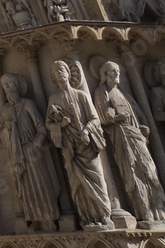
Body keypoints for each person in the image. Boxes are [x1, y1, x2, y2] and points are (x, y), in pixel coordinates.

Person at [94, 61, 165, 222]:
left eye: (118, 70)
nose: (117, 74)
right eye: (113, 71)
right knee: (132, 171)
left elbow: (138, 112)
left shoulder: (123, 92)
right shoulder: (102, 91)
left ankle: (158, 206)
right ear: (104, 74)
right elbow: (104, 115)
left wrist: (143, 126)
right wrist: (117, 117)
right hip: (122, 136)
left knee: (149, 169)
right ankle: (142, 210)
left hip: (137, 135)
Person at [46, 60, 110, 228]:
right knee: (77, 185)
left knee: (98, 178)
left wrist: (87, 131)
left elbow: (95, 118)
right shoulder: (54, 99)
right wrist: (61, 124)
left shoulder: (81, 95)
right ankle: (87, 217)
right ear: (53, 77)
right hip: (70, 148)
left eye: (62, 69)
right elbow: (48, 124)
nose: (60, 73)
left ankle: (104, 215)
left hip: (86, 145)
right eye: (56, 71)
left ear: (68, 72)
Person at [0, 73, 60, 230]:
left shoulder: (28, 104)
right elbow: (0, 132)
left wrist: (37, 142)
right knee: (24, 188)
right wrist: (6, 131)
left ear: (17, 86)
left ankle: (49, 218)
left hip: (32, 150)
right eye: (5, 86)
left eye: (10, 85)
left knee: (41, 183)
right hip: (16, 154)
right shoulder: (4, 110)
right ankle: (32, 218)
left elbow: (41, 126)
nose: (7, 89)